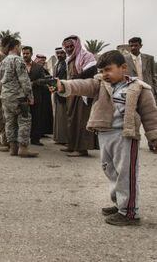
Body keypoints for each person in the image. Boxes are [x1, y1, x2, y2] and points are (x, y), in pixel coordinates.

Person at [53, 51, 157, 226]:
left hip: (125, 136)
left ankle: (130, 213)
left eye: (108, 70)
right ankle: (120, 204)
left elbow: (150, 115)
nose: (104, 74)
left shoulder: (139, 88)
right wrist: (62, 85)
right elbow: (82, 85)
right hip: (104, 134)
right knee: (110, 170)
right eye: (101, 71)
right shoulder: (100, 84)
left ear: (123, 68)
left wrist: (154, 137)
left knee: (126, 173)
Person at [0, 39, 38, 157]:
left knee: (9, 122)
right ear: (16, 46)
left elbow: (1, 80)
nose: (21, 49)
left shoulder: (2, 62)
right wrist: (30, 96)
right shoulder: (18, 60)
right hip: (18, 97)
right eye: (20, 47)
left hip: (5, 97)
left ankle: (13, 148)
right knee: (24, 120)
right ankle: (23, 148)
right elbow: (24, 80)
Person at [61, 35, 98, 157]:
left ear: (76, 45)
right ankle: (72, 146)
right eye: (67, 47)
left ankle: (82, 149)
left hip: (83, 92)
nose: (69, 49)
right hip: (72, 92)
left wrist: (76, 79)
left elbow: (92, 71)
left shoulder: (86, 56)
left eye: (71, 46)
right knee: (72, 119)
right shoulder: (69, 59)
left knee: (81, 120)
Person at [124, 37, 157, 152]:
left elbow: (153, 76)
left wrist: (154, 91)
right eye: (131, 46)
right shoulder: (124, 59)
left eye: (135, 45)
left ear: (140, 46)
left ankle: (153, 142)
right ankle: (133, 144)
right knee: (134, 118)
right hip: (132, 92)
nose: (133, 48)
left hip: (147, 91)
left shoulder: (149, 58)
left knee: (151, 118)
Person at [22, 46, 52, 146]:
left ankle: (35, 139)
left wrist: (33, 83)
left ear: (31, 54)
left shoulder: (38, 68)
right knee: (23, 118)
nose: (25, 55)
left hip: (36, 96)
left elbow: (44, 81)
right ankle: (23, 139)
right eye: (24, 53)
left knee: (36, 118)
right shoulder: (19, 66)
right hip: (23, 97)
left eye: (27, 53)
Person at [52, 47, 68, 145]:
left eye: (61, 53)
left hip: (65, 92)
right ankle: (59, 138)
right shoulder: (57, 64)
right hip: (57, 92)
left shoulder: (66, 64)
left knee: (64, 116)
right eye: (58, 53)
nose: (59, 55)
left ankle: (65, 139)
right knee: (58, 115)